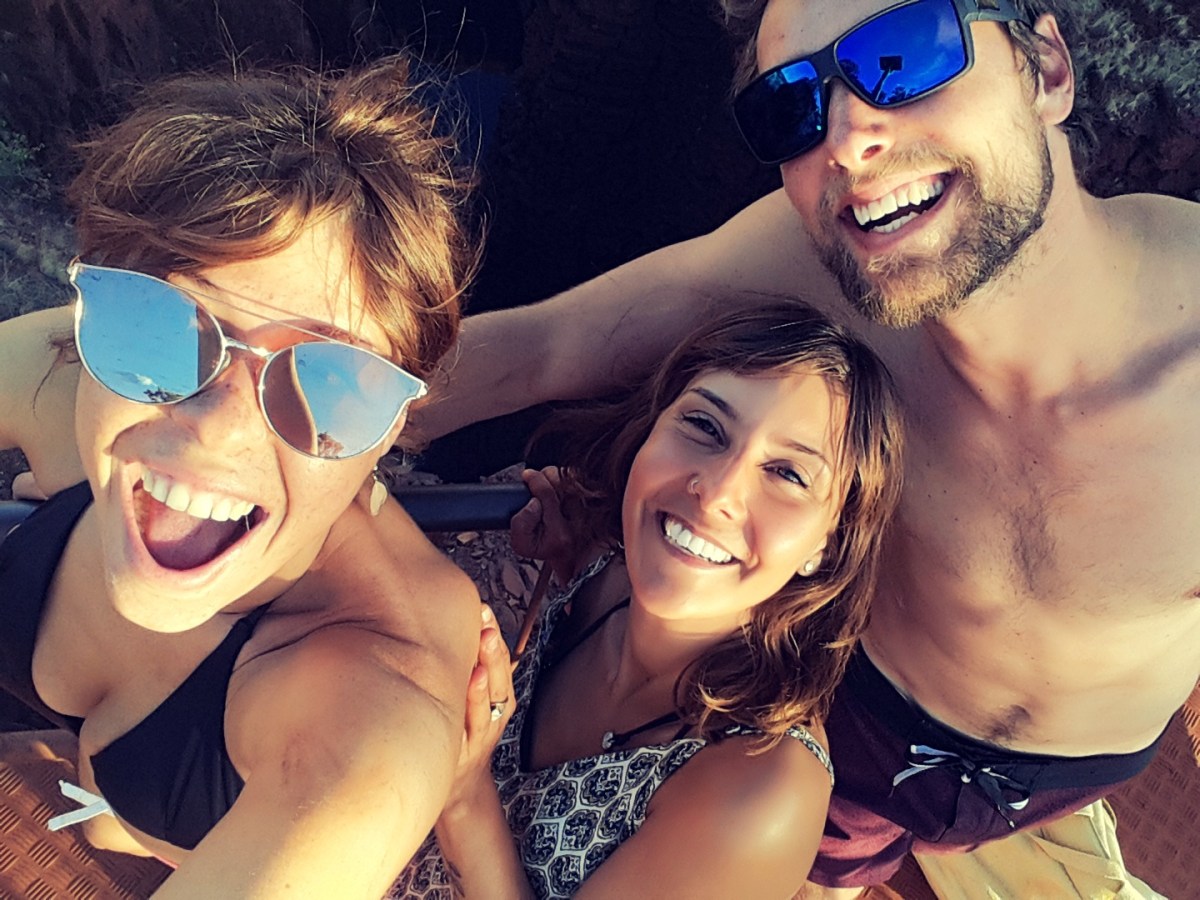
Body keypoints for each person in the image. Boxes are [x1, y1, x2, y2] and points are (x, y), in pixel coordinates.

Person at [414, 0, 1200, 895]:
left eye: (904, 55)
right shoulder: (822, 261)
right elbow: (543, 348)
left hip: (1072, 762)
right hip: (851, 691)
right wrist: (313, 423)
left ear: (1047, 68)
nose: (850, 141)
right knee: (806, 863)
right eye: (791, 106)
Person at [0, 58, 483, 896]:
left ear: (388, 434)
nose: (218, 429)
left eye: (329, 381)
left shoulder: (372, 706)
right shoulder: (67, 377)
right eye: (162, 327)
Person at [391, 302, 903, 898]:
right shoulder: (603, 576)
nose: (716, 493)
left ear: (828, 543)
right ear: (653, 428)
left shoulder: (764, 788)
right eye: (705, 427)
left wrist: (465, 795)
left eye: (787, 474)